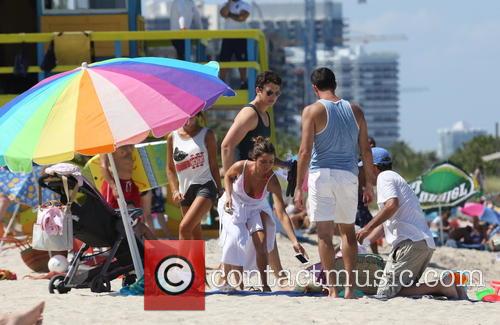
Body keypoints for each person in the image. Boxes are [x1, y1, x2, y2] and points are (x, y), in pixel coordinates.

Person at [294, 67, 375, 298]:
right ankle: (349, 288)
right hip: (349, 175)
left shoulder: (312, 110)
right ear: (335, 84)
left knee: (324, 235)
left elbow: (304, 152)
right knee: (348, 233)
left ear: (314, 88)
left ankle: (331, 288)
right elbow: (366, 151)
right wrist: (369, 183)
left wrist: (299, 187)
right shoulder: (355, 110)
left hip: (322, 174)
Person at [356, 147, 465, 299]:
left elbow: (391, 205)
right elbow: (386, 222)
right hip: (421, 243)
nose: (362, 173)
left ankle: (441, 285)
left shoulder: (384, 177)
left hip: (410, 244)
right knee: (403, 289)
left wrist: (366, 228)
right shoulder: (394, 178)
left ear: (374, 167)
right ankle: (447, 285)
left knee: (384, 293)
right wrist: (365, 240)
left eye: (364, 168)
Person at [221, 70, 289, 279]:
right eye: (270, 92)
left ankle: (279, 275)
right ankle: (278, 275)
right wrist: (231, 183)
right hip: (242, 184)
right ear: (258, 90)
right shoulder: (249, 113)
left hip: (257, 181)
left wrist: (285, 164)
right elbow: (226, 146)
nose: (274, 97)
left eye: (277, 93)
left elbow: (261, 154)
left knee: (267, 226)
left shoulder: (265, 114)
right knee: (235, 234)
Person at [219, 137, 306, 291]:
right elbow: (227, 176)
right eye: (263, 162)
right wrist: (228, 195)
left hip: (255, 208)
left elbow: (281, 212)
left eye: (271, 162)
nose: (267, 166)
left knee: (263, 241)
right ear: (255, 159)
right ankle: (240, 285)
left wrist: (294, 241)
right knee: (235, 238)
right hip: (234, 204)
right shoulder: (242, 166)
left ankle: (265, 285)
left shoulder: (272, 180)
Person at [166, 113, 222, 240]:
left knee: (184, 228)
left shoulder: (207, 134)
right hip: (184, 191)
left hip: (205, 186)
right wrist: (175, 190)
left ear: (197, 115)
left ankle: (181, 260)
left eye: (190, 115)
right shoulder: (172, 137)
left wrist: (220, 189)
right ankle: (196, 261)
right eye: (183, 115)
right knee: (194, 233)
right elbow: (170, 168)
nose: (187, 119)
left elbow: (214, 165)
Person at [100, 146, 156, 240]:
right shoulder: (108, 143)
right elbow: (103, 167)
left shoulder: (128, 139)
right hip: (116, 182)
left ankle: (158, 252)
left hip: (130, 183)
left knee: (137, 220)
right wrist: (113, 185)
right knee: (112, 218)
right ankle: (119, 248)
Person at [219, 0, 251, 89]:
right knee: (224, 60)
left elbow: (241, 17)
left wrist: (229, 14)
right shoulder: (225, 5)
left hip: (240, 37)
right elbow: (223, 13)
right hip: (227, 37)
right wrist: (229, 5)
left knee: (242, 61)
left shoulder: (245, 5)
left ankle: (243, 82)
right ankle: (221, 83)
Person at [355, 136, 378, 253]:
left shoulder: (374, 162)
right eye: (368, 144)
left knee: (368, 227)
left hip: (361, 201)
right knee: (368, 226)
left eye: (372, 145)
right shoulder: (359, 162)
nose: (371, 147)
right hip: (356, 200)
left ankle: (375, 253)